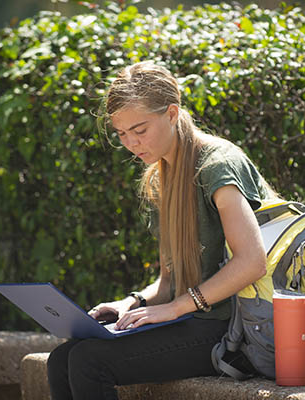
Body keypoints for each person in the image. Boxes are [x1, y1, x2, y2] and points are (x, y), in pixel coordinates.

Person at [47, 61, 278, 400]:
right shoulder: (161, 177)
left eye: (139, 130)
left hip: (234, 329)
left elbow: (252, 262)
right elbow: (168, 282)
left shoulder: (218, 165)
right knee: (61, 358)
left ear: (172, 113)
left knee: (87, 361)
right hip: (197, 319)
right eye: (122, 134)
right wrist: (131, 303)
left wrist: (176, 307)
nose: (131, 144)